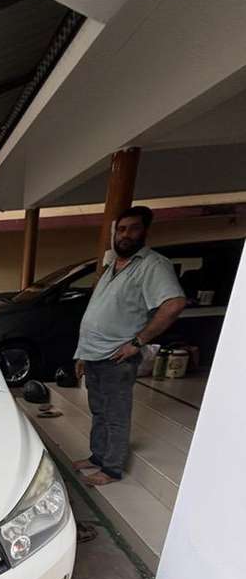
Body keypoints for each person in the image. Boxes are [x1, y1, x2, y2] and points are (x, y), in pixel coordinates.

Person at [72, 206, 187, 486]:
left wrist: (138, 342)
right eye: (121, 229)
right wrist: (82, 354)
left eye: (133, 228)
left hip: (117, 357)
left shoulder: (153, 265)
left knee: (115, 414)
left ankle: (111, 469)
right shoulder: (114, 265)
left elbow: (174, 304)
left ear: (145, 231)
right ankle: (98, 456)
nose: (125, 235)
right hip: (95, 354)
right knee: (99, 410)